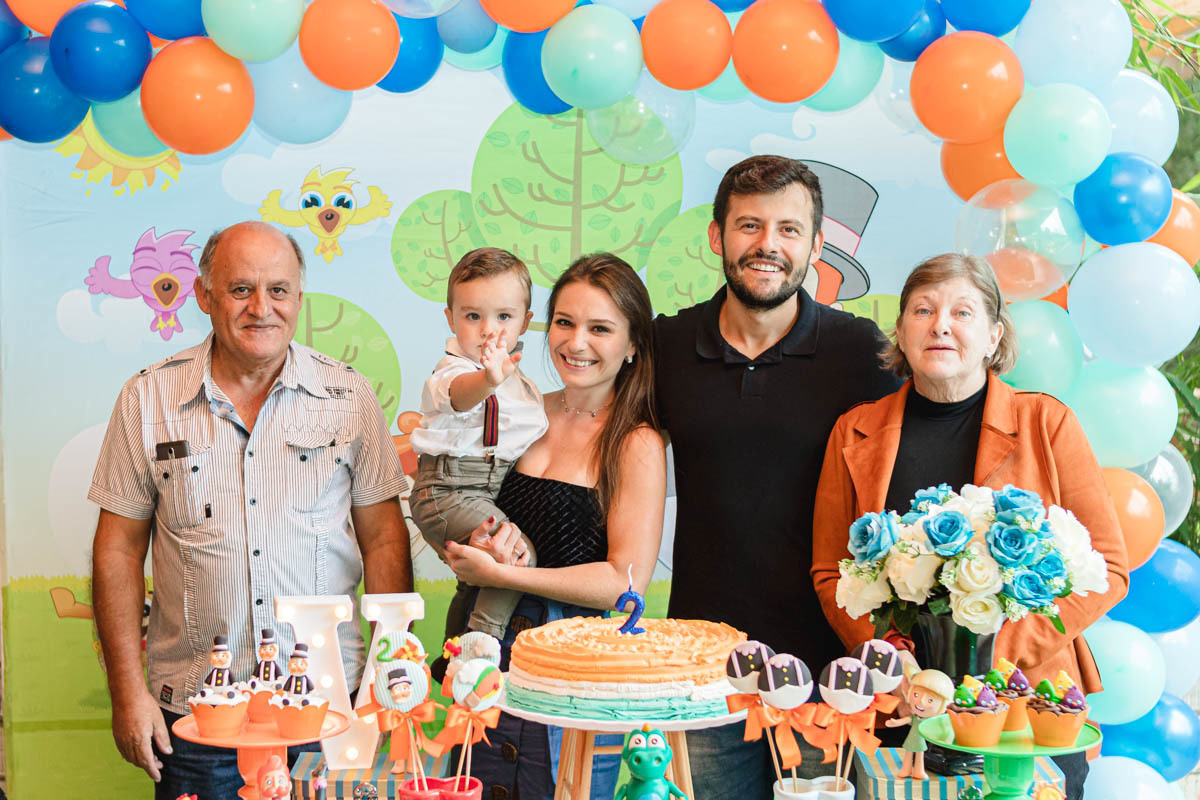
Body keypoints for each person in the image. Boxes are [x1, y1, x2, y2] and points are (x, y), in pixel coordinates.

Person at [88, 221, 412, 799]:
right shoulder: (146, 399)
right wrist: (126, 693)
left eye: (279, 290)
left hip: (326, 711)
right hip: (195, 721)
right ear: (205, 296)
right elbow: (117, 547)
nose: (262, 307)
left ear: (298, 299)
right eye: (241, 289)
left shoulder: (349, 397)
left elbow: (385, 539)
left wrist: (383, 684)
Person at [811, 253, 1129, 799]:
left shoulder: (1046, 423)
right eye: (923, 310)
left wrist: (989, 661)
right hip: (905, 705)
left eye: (963, 312)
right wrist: (898, 660)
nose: (940, 325)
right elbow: (828, 572)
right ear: (902, 333)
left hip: (1028, 707)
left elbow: (1110, 569)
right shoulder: (853, 431)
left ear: (993, 335)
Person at [653, 154, 901, 798]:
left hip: (832, 671)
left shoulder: (863, 355)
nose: (768, 245)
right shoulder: (667, 347)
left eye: (789, 229)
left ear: (817, 245)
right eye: (749, 226)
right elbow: (583, 422)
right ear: (717, 237)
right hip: (705, 667)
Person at [443, 253, 666, 800]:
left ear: (633, 343)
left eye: (600, 328)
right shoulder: (520, 411)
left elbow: (623, 582)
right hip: (480, 651)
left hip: (567, 670)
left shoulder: (637, 442)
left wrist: (510, 577)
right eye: (564, 323)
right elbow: (462, 495)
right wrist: (472, 542)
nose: (576, 342)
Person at [409, 247, 548, 643]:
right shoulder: (453, 369)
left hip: (489, 488)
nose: (489, 330)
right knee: (517, 555)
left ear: (525, 322)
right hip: (447, 490)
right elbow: (461, 396)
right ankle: (481, 644)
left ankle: (453, 652)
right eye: (473, 316)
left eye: (504, 317)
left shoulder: (523, 387)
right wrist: (488, 379)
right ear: (451, 319)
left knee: (480, 571)